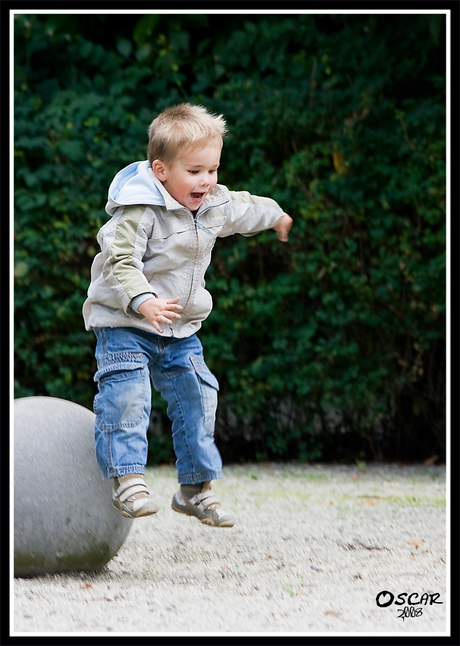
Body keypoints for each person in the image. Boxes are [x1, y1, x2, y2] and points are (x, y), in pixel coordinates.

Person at [83, 103, 292, 527]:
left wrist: (277, 216)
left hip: (179, 327)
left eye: (212, 170)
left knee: (199, 396)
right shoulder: (138, 210)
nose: (207, 181)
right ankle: (128, 480)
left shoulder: (213, 203)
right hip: (126, 323)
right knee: (127, 396)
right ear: (161, 170)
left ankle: (195, 490)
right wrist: (143, 300)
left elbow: (244, 207)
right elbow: (120, 261)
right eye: (195, 171)